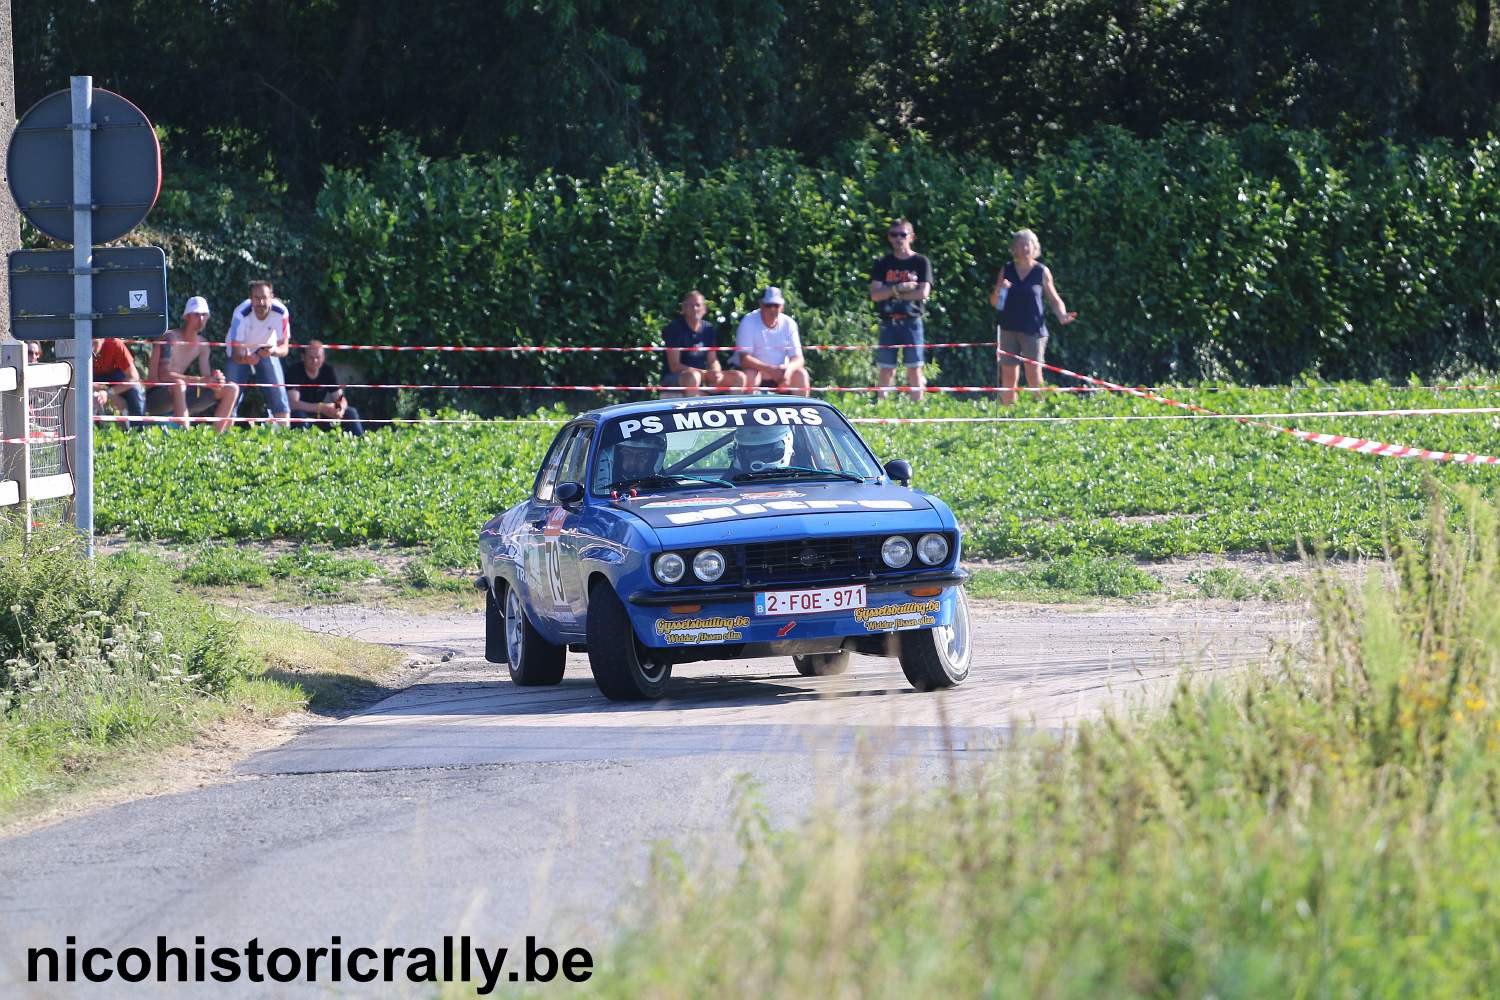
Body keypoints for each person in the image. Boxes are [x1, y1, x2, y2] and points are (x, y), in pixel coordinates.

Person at [990, 229, 1076, 405]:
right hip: (1008, 328)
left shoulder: (1041, 271)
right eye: (1020, 244)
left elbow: (1054, 298)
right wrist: (1000, 290)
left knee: (1034, 375)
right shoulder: (1006, 270)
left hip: (1034, 331)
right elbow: (994, 302)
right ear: (1013, 249)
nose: (1025, 248)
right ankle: (1009, 413)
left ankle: (1039, 413)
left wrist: (1062, 314)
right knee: (1008, 375)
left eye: (1028, 244)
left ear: (1035, 248)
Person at [146, 296, 240, 433]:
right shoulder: (169, 338)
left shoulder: (203, 345)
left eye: (204, 315)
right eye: (196, 315)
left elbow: (205, 378)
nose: (201, 319)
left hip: (181, 394)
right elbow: (163, 375)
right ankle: (185, 437)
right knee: (179, 384)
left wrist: (216, 379)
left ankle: (217, 439)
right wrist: (200, 380)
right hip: (155, 398)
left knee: (232, 388)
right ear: (187, 317)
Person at [868, 218, 932, 401]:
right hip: (888, 322)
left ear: (911, 237)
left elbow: (923, 293)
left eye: (902, 235)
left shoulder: (921, 262)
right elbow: (874, 294)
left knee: (914, 368)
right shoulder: (882, 263)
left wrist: (891, 292)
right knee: (886, 368)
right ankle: (882, 407)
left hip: (912, 321)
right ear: (889, 238)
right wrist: (899, 288)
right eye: (893, 235)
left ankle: (918, 408)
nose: (898, 239)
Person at [225, 279, 292, 427]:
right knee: (231, 393)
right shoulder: (240, 314)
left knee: (278, 393)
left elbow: (284, 349)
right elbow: (236, 354)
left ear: (272, 297)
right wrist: (246, 359)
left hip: (267, 349)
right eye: (256, 298)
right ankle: (223, 437)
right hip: (241, 351)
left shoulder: (281, 312)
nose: (261, 303)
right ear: (250, 299)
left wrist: (273, 350)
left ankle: (286, 436)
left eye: (264, 298)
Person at [661, 291, 745, 396]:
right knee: (693, 376)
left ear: (704, 309)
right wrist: (704, 374)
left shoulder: (708, 329)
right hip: (676, 378)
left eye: (698, 305)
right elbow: (674, 366)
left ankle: (733, 409)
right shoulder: (675, 328)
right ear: (683, 309)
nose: (694, 309)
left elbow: (713, 359)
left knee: (739, 376)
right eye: (690, 305)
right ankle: (694, 411)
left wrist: (716, 372)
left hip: (702, 376)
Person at [733, 287, 810, 396]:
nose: (772, 309)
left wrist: (788, 372)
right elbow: (744, 359)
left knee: (801, 374)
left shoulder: (789, 323)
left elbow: (798, 359)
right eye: (768, 305)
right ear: (761, 304)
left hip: (781, 376)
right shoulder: (748, 321)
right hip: (757, 373)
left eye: (776, 305)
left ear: (782, 307)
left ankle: (800, 409)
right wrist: (771, 370)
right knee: (750, 375)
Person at [287, 339, 364, 436]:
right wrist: (321, 408)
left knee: (350, 412)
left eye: (318, 357)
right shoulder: (294, 372)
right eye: (311, 358)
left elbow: (340, 398)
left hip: (321, 416)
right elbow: (293, 404)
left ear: (323, 358)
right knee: (299, 416)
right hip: (303, 414)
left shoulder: (327, 371)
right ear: (303, 357)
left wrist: (339, 408)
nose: (315, 361)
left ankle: (361, 442)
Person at [92, 337, 146, 429]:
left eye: (94, 343)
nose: (91, 348)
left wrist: (109, 393)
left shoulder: (115, 344)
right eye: (88, 343)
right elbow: (77, 382)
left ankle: (138, 432)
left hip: (117, 382)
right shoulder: (78, 348)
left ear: (102, 339)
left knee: (135, 392)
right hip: (94, 383)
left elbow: (134, 377)